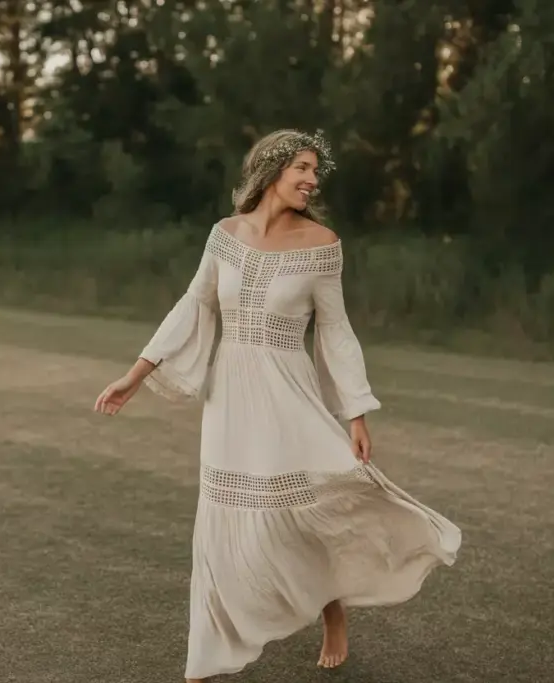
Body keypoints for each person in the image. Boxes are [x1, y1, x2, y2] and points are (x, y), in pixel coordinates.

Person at [93, 129, 461, 682]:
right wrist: (136, 374)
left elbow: (336, 333)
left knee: (297, 507)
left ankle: (331, 610)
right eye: (303, 168)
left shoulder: (322, 244)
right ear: (271, 170)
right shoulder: (224, 235)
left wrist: (355, 414)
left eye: (316, 170)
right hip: (230, 394)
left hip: (289, 392)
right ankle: (204, 659)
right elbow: (193, 307)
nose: (312, 179)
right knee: (222, 519)